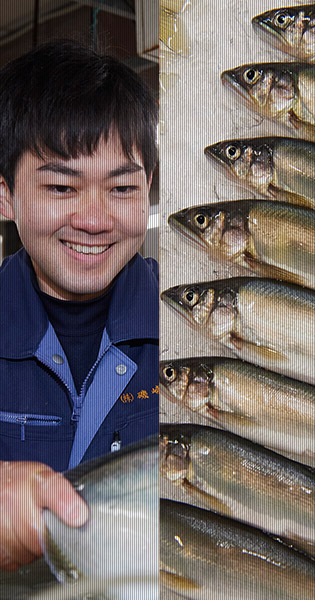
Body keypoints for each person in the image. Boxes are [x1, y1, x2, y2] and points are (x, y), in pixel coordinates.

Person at [0, 40, 158, 571]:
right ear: (5, 194)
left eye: (121, 189)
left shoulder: (199, 325)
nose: (94, 219)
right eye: (62, 187)